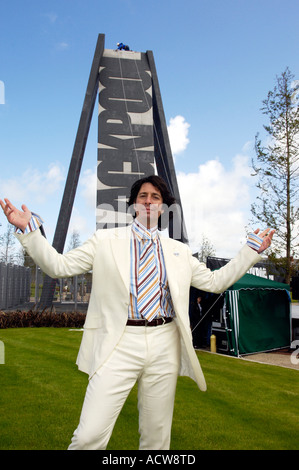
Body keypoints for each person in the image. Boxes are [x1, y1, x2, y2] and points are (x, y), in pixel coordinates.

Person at [0, 175, 274, 450]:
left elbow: (215, 282)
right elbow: (58, 267)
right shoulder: (104, 240)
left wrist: (250, 251)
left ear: (164, 208)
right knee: (88, 437)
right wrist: (30, 232)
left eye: (156, 197)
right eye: (143, 196)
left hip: (165, 343)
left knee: (156, 440)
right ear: (133, 204)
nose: (148, 201)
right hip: (118, 343)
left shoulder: (178, 250)